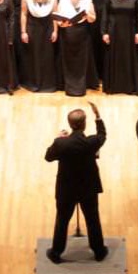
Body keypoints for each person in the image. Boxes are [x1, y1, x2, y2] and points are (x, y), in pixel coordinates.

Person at [44, 101, 108, 263]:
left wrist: (59, 138)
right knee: (92, 219)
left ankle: (56, 253)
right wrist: (97, 116)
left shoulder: (61, 143)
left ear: (70, 124)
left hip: (67, 189)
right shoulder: (91, 142)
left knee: (62, 220)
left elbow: (48, 157)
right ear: (84, 124)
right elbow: (102, 135)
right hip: (88, 188)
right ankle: (99, 252)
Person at [102, 0, 138, 95]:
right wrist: (104, 32)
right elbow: (105, 14)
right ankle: (114, 87)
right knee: (115, 58)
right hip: (114, 31)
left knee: (130, 58)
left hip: (130, 31)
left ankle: (130, 86)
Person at [55, 0, 99, 96]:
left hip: (82, 33)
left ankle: (81, 85)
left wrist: (87, 15)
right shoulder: (63, 0)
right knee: (68, 60)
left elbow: (93, 19)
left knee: (82, 60)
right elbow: (58, 19)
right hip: (67, 33)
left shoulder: (87, 0)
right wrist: (61, 24)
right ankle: (68, 85)